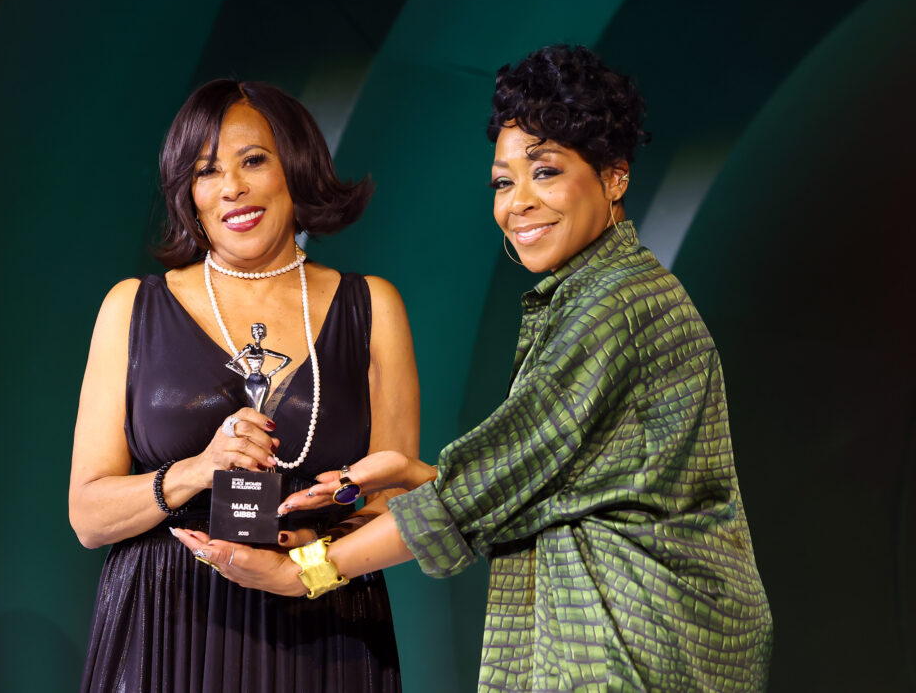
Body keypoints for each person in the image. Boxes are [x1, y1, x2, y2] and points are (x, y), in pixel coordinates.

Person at [175, 45, 774, 691]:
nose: (517, 204)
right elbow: (548, 482)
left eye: (544, 172)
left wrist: (307, 572)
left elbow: (481, 491)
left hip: (632, 653)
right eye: (503, 181)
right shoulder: (593, 295)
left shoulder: (615, 307)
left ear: (615, 177)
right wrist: (414, 473)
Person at [69, 79, 419, 692]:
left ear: (297, 168)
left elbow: (393, 500)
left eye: (253, 160)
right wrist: (197, 469)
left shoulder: (372, 306)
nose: (231, 187)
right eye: (206, 172)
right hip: (164, 628)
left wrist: (311, 548)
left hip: (323, 627)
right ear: (190, 195)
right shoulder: (132, 307)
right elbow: (88, 517)